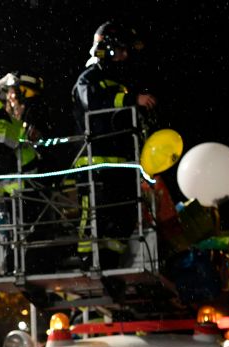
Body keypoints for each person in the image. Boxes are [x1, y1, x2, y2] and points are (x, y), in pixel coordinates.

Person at [71, 21, 156, 265]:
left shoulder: (119, 83)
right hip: (96, 167)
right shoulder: (88, 79)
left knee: (124, 219)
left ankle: (109, 263)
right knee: (95, 220)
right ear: (106, 49)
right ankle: (89, 261)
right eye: (120, 50)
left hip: (123, 168)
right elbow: (95, 103)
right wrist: (132, 99)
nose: (125, 55)